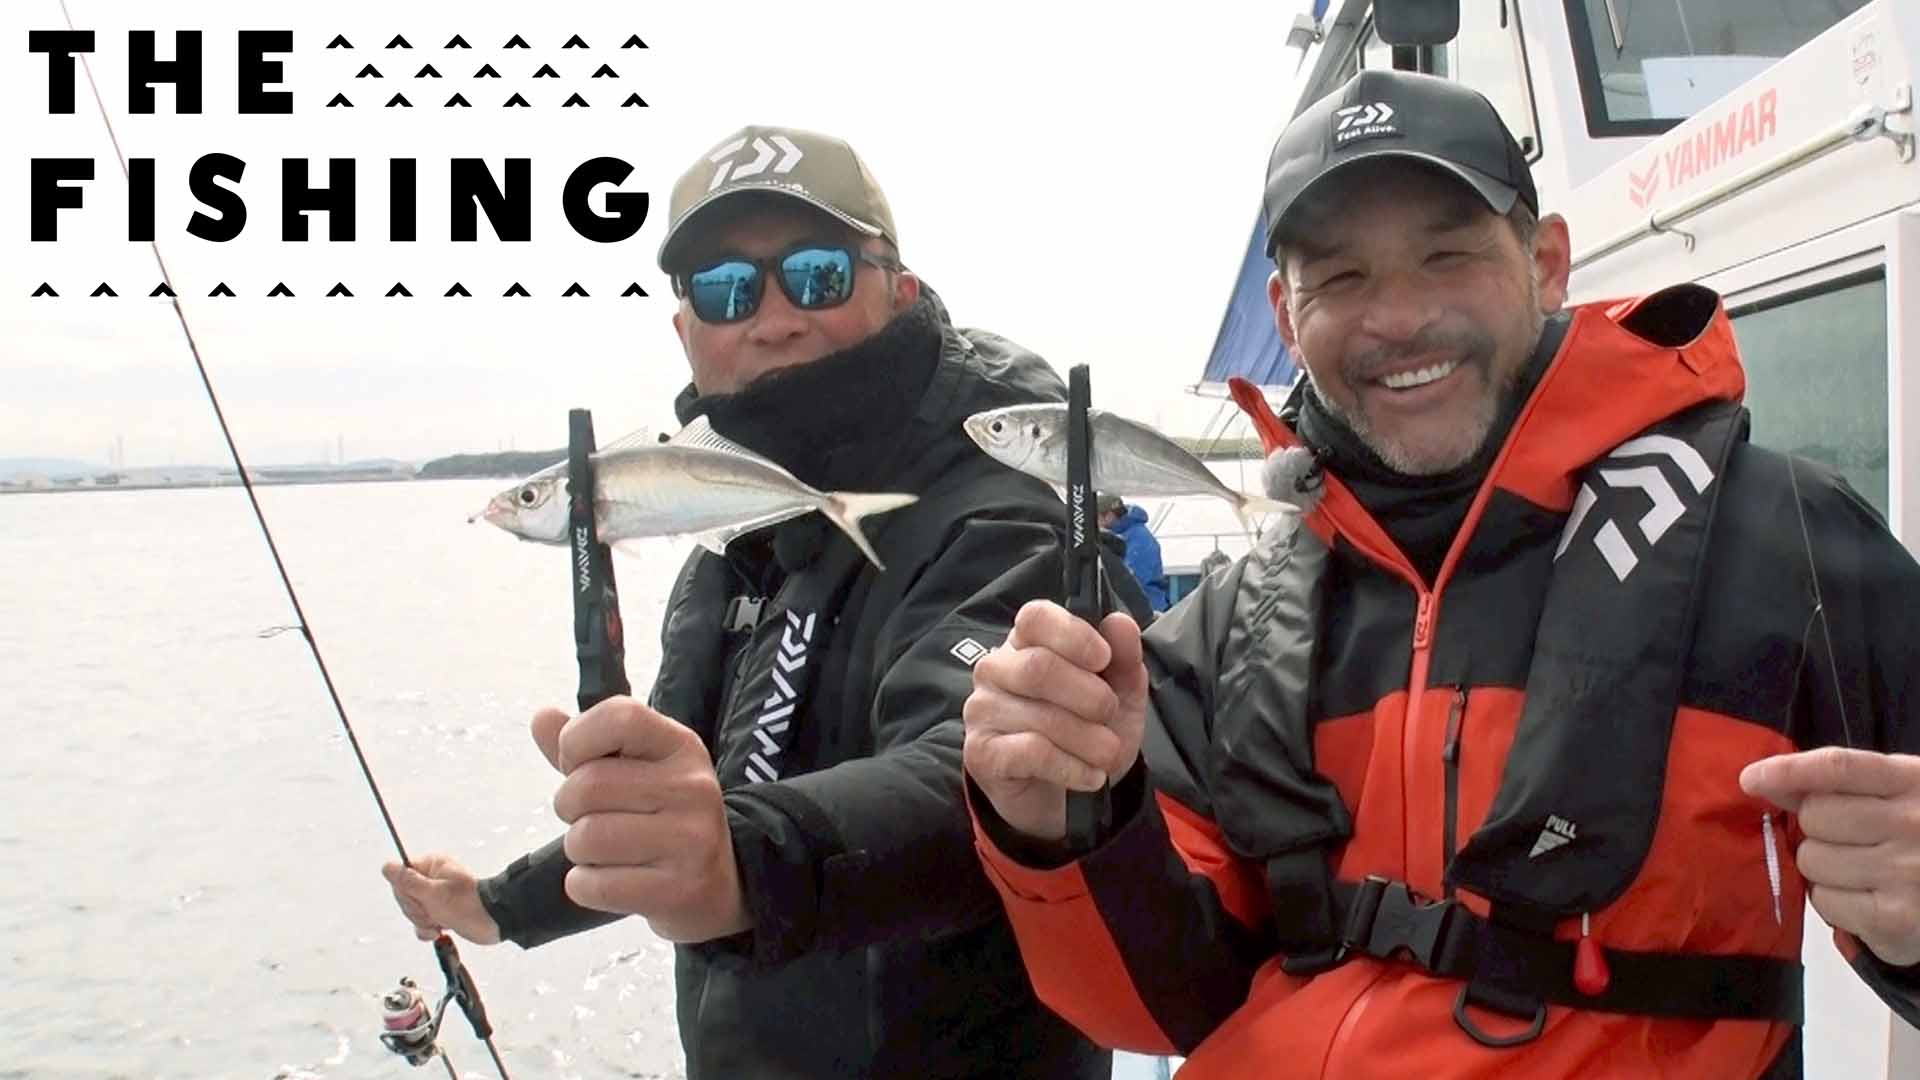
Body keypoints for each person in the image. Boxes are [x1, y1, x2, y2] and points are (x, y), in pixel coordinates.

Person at [961, 70, 1920, 1078]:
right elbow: (1158, 1007)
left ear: (1547, 263)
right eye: (1342, 278)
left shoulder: (1783, 539)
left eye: (1448, 255)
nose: (1399, 317)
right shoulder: (1223, 628)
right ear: (1286, 316)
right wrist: (1057, 822)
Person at [383, 124, 1137, 1079]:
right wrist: (498, 906)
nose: (772, 319)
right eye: (726, 289)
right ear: (684, 331)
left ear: (899, 287)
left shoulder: (1003, 502)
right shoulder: (732, 532)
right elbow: (679, 817)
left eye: (817, 274)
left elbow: (983, 768)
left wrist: (743, 863)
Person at [1098, 492, 1169, 611]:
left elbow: (1130, 581)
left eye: (1096, 518)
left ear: (1108, 516)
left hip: (1148, 608)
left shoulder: (1138, 540)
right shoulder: (1129, 534)